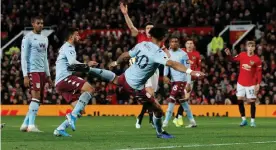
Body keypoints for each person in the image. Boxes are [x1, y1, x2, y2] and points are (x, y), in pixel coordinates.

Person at [70, 25, 205, 138]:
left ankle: (89, 70)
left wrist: (117, 62)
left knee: (116, 79)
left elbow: (125, 55)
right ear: (163, 38)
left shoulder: (142, 44)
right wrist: (191, 72)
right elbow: (173, 64)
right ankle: (160, 132)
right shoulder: (158, 53)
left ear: (151, 36)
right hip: (135, 87)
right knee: (158, 110)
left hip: (126, 76)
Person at [120, 3, 170, 129]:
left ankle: (141, 116)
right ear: (145, 30)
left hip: (153, 70)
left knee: (151, 96)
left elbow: (167, 54)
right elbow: (131, 27)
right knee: (149, 93)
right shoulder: (141, 37)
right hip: (141, 70)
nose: (149, 30)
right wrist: (125, 14)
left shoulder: (159, 41)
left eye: (151, 29)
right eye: (147, 28)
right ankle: (153, 120)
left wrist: (168, 58)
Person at [53, 28, 100, 137]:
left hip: (60, 83)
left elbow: (72, 65)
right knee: (90, 89)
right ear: (71, 37)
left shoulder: (65, 47)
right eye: (77, 35)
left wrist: (86, 67)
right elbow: (72, 64)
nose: (79, 37)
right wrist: (87, 65)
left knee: (80, 110)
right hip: (65, 78)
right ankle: (71, 116)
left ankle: (60, 128)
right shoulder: (69, 47)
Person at [20, 16, 52, 132]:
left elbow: (45, 58)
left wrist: (48, 76)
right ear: (33, 24)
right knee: (36, 97)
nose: (40, 25)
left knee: (38, 100)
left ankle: (25, 124)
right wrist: (25, 75)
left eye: (42, 23)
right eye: (38, 23)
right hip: (32, 71)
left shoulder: (45, 38)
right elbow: (23, 57)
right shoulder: (27, 38)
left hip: (42, 72)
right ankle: (31, 126)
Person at [225, 41, 262, 127]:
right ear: (246, 47)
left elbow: (259, 72)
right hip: (241, 82)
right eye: (249, 46)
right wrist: (229, 54)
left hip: (251, 84)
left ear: (254, 48)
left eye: (252, 46)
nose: (250, 48)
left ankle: (252, 121)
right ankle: (244, 119)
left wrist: (258, 84)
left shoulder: (257, 59)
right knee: (239, 100)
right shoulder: (242, 55)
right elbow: (233, 60)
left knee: (252, 101)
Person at [163, 37, 197, 128]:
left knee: (171, 99)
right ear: (170, 43)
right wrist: (165, 75)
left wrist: (188, 83)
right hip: (174, 81)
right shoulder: (168, 53)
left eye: (176, 42)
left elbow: (188, 69)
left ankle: (165, 122)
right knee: (183, 102)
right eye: (172, 41)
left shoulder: (183, 54)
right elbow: (166, 66)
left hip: (181, 80)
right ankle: (192, 121)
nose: (174, 43)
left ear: (178, 44)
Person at [173, 39, 201, 127]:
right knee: (185, 98)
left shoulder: (197, 54)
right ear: (185, 45)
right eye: (188, 43)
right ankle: (179, 117)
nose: (189, 45)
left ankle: (177, 117)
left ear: (193, 45)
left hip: (191, 79)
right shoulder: (181, 51)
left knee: (185, 98)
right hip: (182, 78)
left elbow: (198, 67)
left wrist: (197, 74)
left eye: (191, 43)